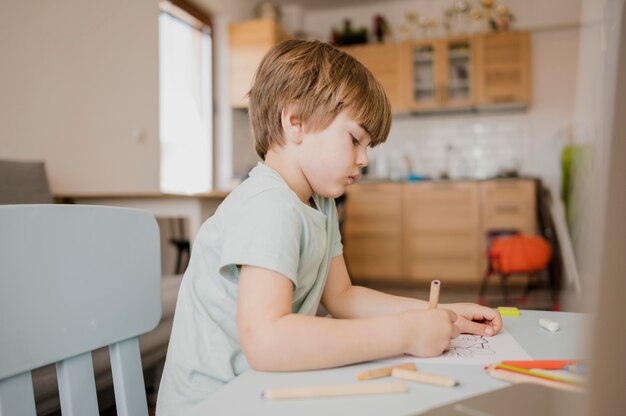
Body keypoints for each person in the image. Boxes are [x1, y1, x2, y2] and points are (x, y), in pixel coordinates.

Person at [156, 39, 502, 415]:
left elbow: (343, 297)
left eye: (368, 145)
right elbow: (267, 340)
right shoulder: (267, 206)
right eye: (355, 139)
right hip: (217, 403)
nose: (364, 159)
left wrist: (439, 313)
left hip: (259, 389)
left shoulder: (319, 202)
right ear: (296, 122)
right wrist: (406, 333)